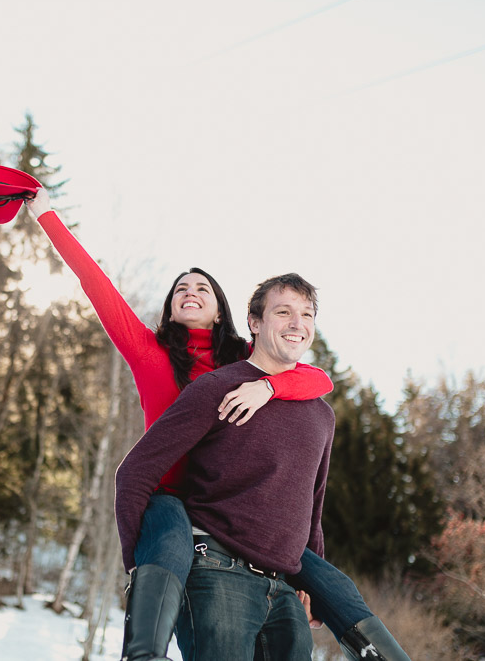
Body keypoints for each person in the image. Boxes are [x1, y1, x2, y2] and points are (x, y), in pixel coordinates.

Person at [24, 189, 408, 661]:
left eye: (202, 288)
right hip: (176, 499)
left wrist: (268, 388)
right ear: (167, 310)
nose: (191, 292)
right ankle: (143, 651)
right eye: (180, 289)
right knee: (166, 543)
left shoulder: (242, 362)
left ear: (226, 312)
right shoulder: (151, 355)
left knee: (330, 580)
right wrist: (44, 211)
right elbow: (95, 283)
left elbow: (311, 377)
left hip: (242, 507)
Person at [117, 273, 331, 659]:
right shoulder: (191, 371)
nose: (297, 323)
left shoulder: (311, 408)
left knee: (343, 595)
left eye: (306, 314)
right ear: (254, 321)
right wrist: (136, 563)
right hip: (202, 540)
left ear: (221, 312)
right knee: (164, 544)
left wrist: (309, 579)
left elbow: (311, 501)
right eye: (283, 311)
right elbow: (134, 472)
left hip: (281, 581)